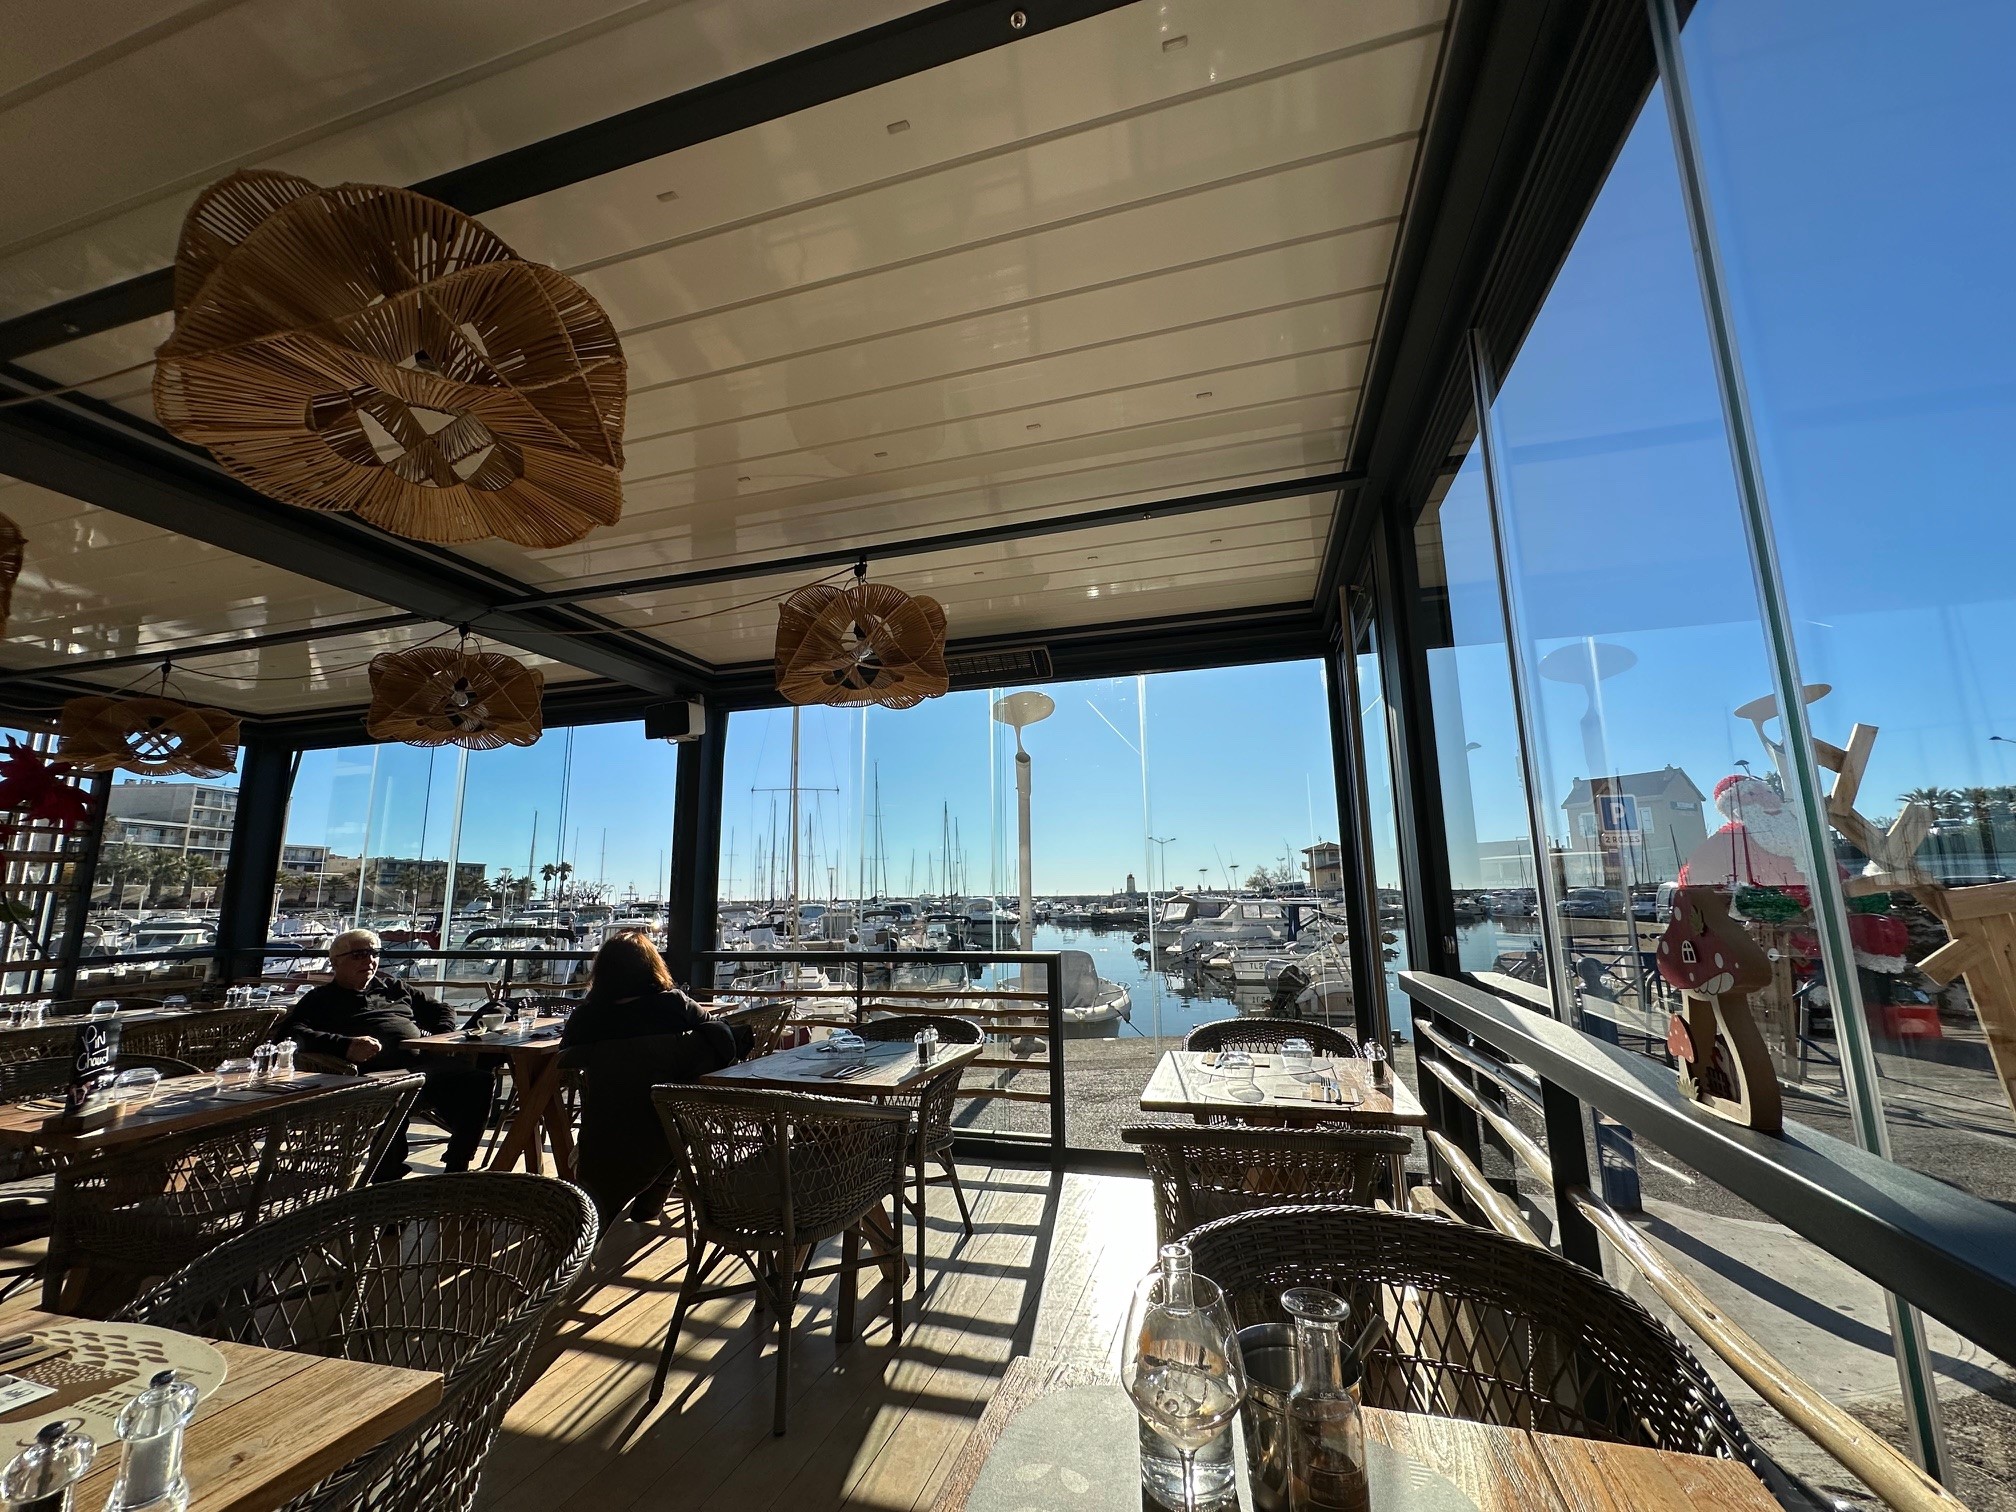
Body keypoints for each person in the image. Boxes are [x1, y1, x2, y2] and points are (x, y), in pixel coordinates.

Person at [275, 928, 494, 1180]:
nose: (369, 961)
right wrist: (344, 1045)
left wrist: (440, 1036)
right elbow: (289, 1033)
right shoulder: (322, 999)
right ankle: (388, 1185)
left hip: (424, 1069)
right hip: (372, 1077)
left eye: (374, 953)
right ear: (335, 962)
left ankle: (457, 1166)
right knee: (391, 1099)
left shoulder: (392, 987)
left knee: (479, 1080)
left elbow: (442, 1009)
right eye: (359, 955)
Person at [561, 930, 742, 1225]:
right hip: (669, 1123)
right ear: (652, 965)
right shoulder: (674, 1005)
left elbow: (565, 1059)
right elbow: (719, 1033)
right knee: (673, 1107)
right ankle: (649, 1204)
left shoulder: (589, 1017)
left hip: (603, 1129)